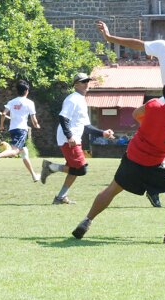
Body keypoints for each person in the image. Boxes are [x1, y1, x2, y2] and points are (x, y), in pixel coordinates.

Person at [71, 80, 165, 244]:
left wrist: (149, 126)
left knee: (112, 189)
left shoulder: (153, 104)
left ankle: (87, 220)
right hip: (155, 165)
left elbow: (135, 114)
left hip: (132, 158)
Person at [40, 72, 115, 205]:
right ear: (76, 85)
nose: (87, 83)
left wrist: (102, 133)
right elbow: (63, 117)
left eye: (88, 81)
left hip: (74, 138)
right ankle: (50, 167)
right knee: (81, 169)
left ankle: (60, 197)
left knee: (74, 170)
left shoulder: (81, 100)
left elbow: (86, 126)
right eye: (83, 81)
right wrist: (69, 136)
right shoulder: (73, 98)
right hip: (69, 139)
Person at [0, 79, 41, 181]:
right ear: (26, 91)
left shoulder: (12, 102)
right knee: (15, 151)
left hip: (13, 129)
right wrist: (37, 125)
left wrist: (1, 126)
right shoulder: (29, 102)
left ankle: (34, 176)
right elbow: (34, 120)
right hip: (22, 130)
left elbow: (3, 114)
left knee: (24, 152)